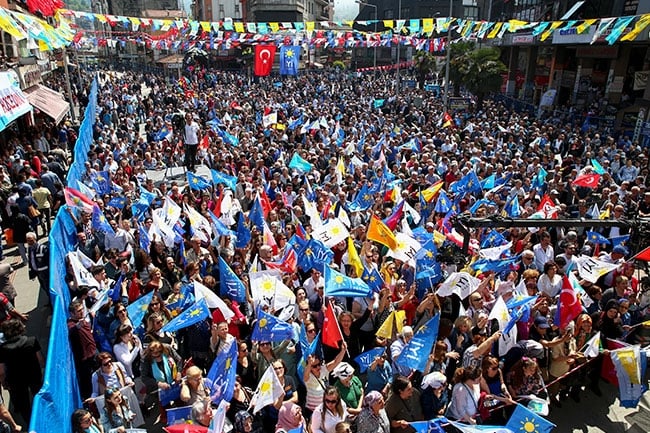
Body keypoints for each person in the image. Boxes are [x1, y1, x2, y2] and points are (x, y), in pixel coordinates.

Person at [0, 319, 44, 427]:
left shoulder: (2, 349)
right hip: (34, 375)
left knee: (24, 406)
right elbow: (41, 360)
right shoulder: (31, 341)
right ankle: (42, 417)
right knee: (38, 396)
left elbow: (1, 371)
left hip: (15, 380)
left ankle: (30, 425)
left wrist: (3, 382)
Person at [68, 299, 98, 399]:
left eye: (82, 309)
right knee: (88, 384)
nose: (82, 312)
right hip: (85, 360)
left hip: (94, 352)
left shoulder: (84, 320)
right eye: (79, 311)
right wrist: (77, 326)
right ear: (72, 313)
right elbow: (72, 329)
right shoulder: (71, 324)